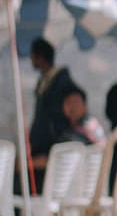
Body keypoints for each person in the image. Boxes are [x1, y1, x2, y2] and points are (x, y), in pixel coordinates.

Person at [27, 38, 81, 173]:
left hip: (54, 147)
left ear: (40, 57)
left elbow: (64, 117)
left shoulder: (62, 83)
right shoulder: (44, 82)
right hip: (42, 146)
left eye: (33, 56)